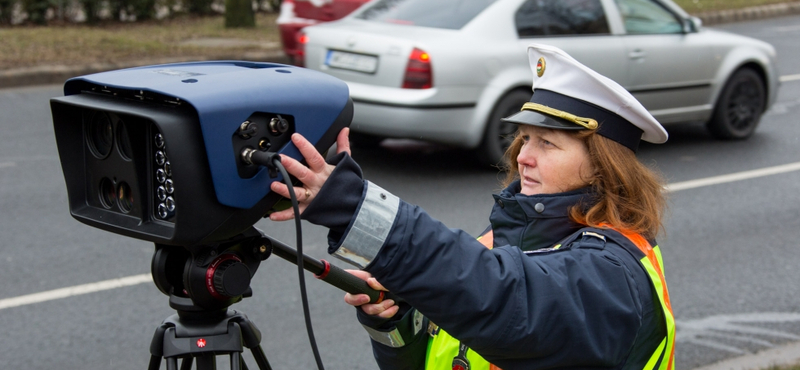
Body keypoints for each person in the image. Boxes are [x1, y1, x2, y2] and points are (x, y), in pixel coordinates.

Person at [268, 44, 675, 370]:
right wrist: (395, 321)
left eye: (547, 143)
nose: (523, 158)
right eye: (525, 138)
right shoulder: (515, 235)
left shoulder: (613, 273)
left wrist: (355, 208)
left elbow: (505, 300)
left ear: (603, 167)